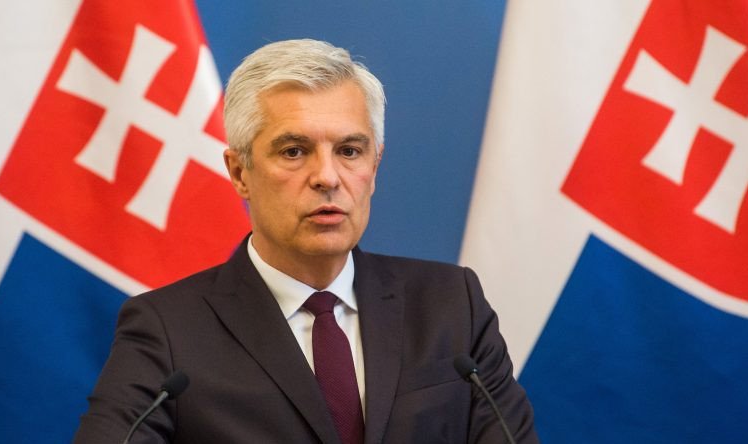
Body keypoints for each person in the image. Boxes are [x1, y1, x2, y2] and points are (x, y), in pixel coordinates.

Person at [73, 39, 538, 444]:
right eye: (294, 151)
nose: (327, 177)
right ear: (239, 172)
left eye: (349, 151)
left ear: (374, 166)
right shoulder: (167, 331)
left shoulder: (451, 306)